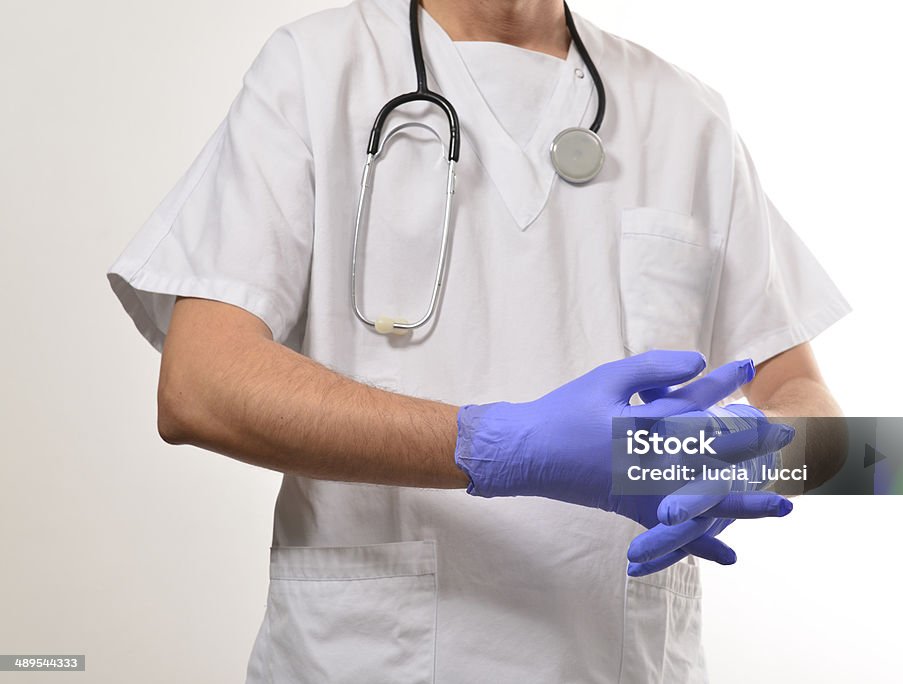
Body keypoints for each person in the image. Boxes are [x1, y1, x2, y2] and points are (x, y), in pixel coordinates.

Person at [107, 0, 850, 680]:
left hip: (620, 659)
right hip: (367, 658)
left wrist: (750, 456)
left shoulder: (688, 117)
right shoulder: (316, 68)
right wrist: (491, 444)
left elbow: (805, 406)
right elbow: (199, 387)